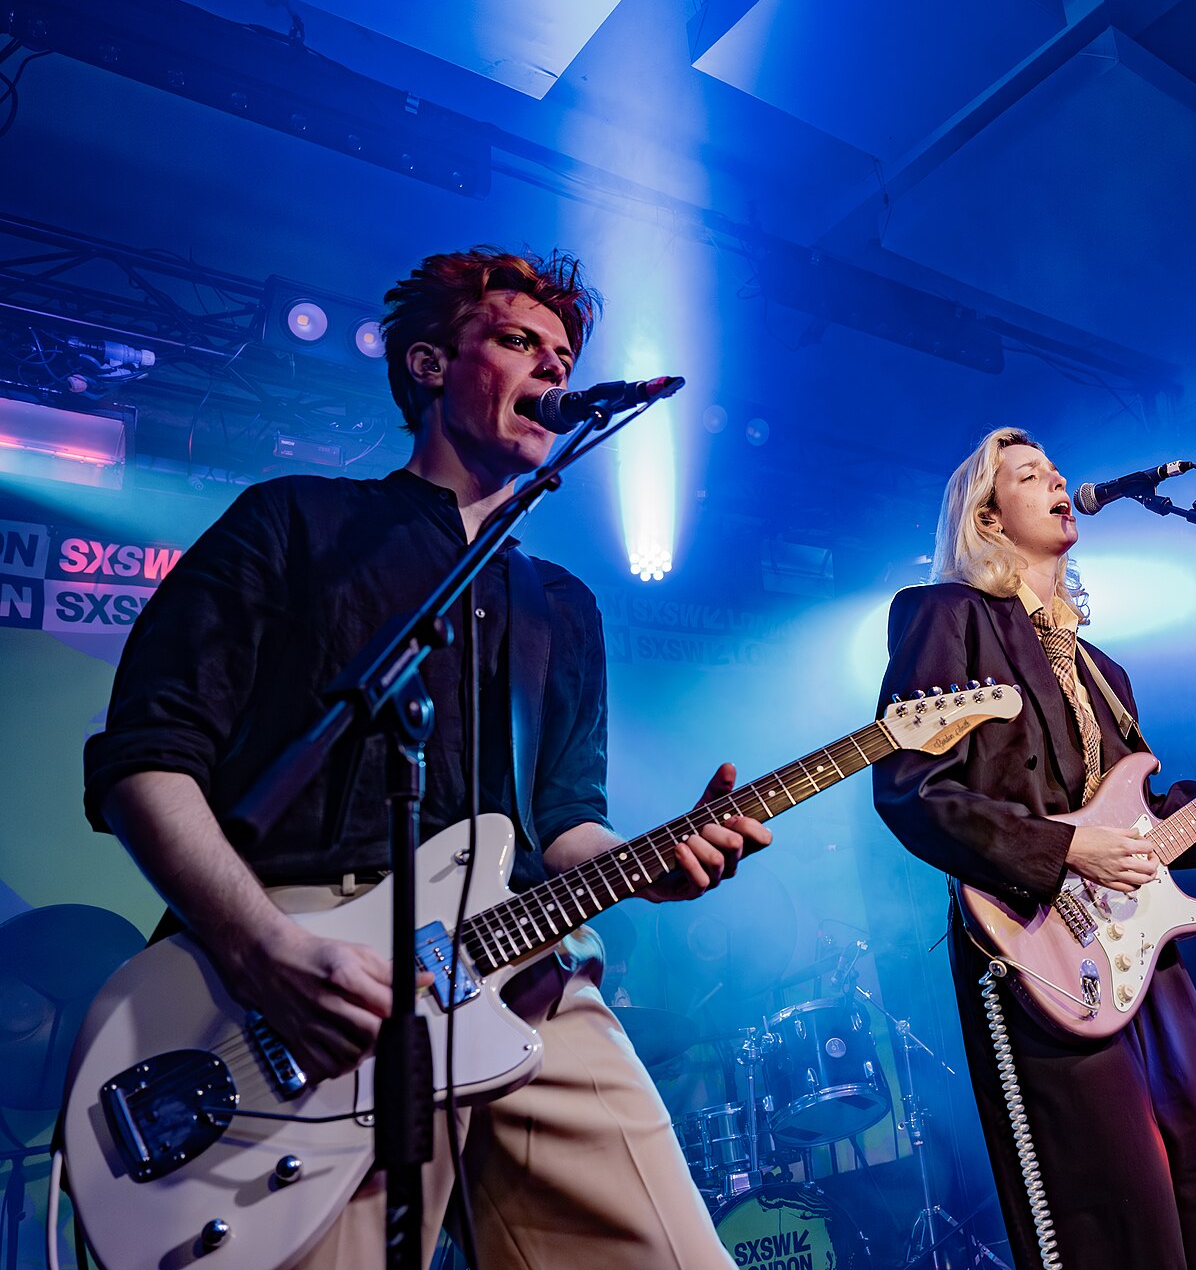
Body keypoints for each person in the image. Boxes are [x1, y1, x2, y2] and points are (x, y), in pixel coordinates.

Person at [82, 248, 770, 1269]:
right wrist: (262, 951)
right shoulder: (296, 523)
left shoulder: (563, 606)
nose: (555, 366)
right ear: (429, 364)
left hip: (522, 980)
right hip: (312, 985)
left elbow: (563, 822)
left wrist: (650, 862)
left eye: (565, 352)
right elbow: (146, 759)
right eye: (518, 340)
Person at [871, 427, 1196, 1270]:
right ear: (988, 516)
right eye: (1029, 475)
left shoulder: (1104, 670)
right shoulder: (945, 616)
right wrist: (1065, 849)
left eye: (1055, 469)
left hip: (1141, 948)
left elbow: (1146, 829)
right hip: (1035, 937)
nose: (1058, 481)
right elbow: (910, 788)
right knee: (1119, 1196)